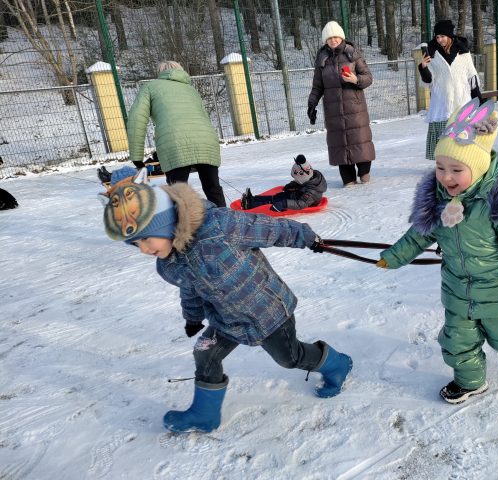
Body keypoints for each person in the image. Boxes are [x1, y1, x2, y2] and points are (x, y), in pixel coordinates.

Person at [99, 166, 352, 433]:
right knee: (205, 353)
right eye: (136, 245)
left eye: (146, 240)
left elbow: (267, 228)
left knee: (290, 358)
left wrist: (306, 237)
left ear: (165, 223)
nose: (144, 250)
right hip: (226, 319)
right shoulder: (170, 264)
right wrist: (193, 317)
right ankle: (205, 415)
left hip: (266, 311)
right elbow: (190, 289)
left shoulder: (219, 226)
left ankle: (336, 364)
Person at [376, 99, 498, 405]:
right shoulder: (438, 198)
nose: (446, 176)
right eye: (440, 167)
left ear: (479, 166)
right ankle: (470, 381)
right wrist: (394, 256)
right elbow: (419, 234)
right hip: (458, 293)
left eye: (456, 169)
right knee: (457, 342)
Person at [126, 60, 226, 208]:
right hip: (206, 139)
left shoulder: (150, 87)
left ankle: (183, 228)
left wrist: (137, 158)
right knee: (213, 189)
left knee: (177, 194)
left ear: (160, 73)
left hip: (174, 142)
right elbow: (204, 117)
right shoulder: (190, 89)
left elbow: (136, 119)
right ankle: (227, 224)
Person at [308, 21, 376, 187]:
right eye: (329, 38)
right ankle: (348, 179)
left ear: (341, 37)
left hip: (355, 108)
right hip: (333, 110)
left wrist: (355, 79)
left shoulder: (352, 53)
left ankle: (365, 174)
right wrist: (312, 104)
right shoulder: (322, 59)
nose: (333, 40)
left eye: (336, 36)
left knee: (360, 141)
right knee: (339, 144)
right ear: (325, 40)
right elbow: (317, 86)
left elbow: (368, 77)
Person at [418, 19, 481, 161]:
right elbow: (428, 80)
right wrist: (423, 66)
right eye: (437, 37)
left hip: (462, 103)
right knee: (444, 141)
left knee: (462, 139)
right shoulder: (433, 54)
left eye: (442, 36)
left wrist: (480, 103)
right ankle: (444, 164)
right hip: (442, 105)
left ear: (449, 36)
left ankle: (463, 163)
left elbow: (473, 80)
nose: (439, 40)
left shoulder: (463, 53)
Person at [240, 155, 327, 212]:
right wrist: (293, 184)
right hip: (297, 194)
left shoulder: (312, 193)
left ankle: (250, 205)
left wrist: (285, 204)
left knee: (275, 202)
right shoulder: (311, 177)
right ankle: (253, 198)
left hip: (299, 201)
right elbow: (303, 183)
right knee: (277, 196)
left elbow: (301, 204)